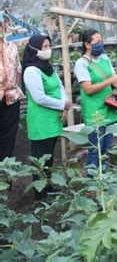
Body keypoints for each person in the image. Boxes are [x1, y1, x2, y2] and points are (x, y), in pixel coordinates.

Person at [73, 29, 117, 173]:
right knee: (95, 149)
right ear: (87, 44)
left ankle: (104, 179)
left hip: (108, 108)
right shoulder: (81, 63)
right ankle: (92, 183)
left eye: (101, 41)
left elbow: (114, 80)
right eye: (97, 42)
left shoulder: (104, 59)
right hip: (94, 111)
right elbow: (89, 89)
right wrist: (110, 80)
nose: (100, 44)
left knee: (106, 148)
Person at [23, 34, 70, 199]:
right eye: (44, 46)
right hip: (40, 120)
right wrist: (62, 105)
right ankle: (39, 194)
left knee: (48, 156)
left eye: (48, 45)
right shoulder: (31, 70)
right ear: (34, 49)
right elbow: (39, 98)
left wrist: (65, 102)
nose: (47, 49)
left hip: (53, 119)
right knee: (39, 159)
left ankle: (48, 187)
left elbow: (60, 87)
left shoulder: (48, 68)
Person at [0, 30, 24, 161]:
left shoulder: (12, 47)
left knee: (8, 140)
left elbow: (18, 70)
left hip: (11, 98)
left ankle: (6, 177)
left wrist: (14, 88)